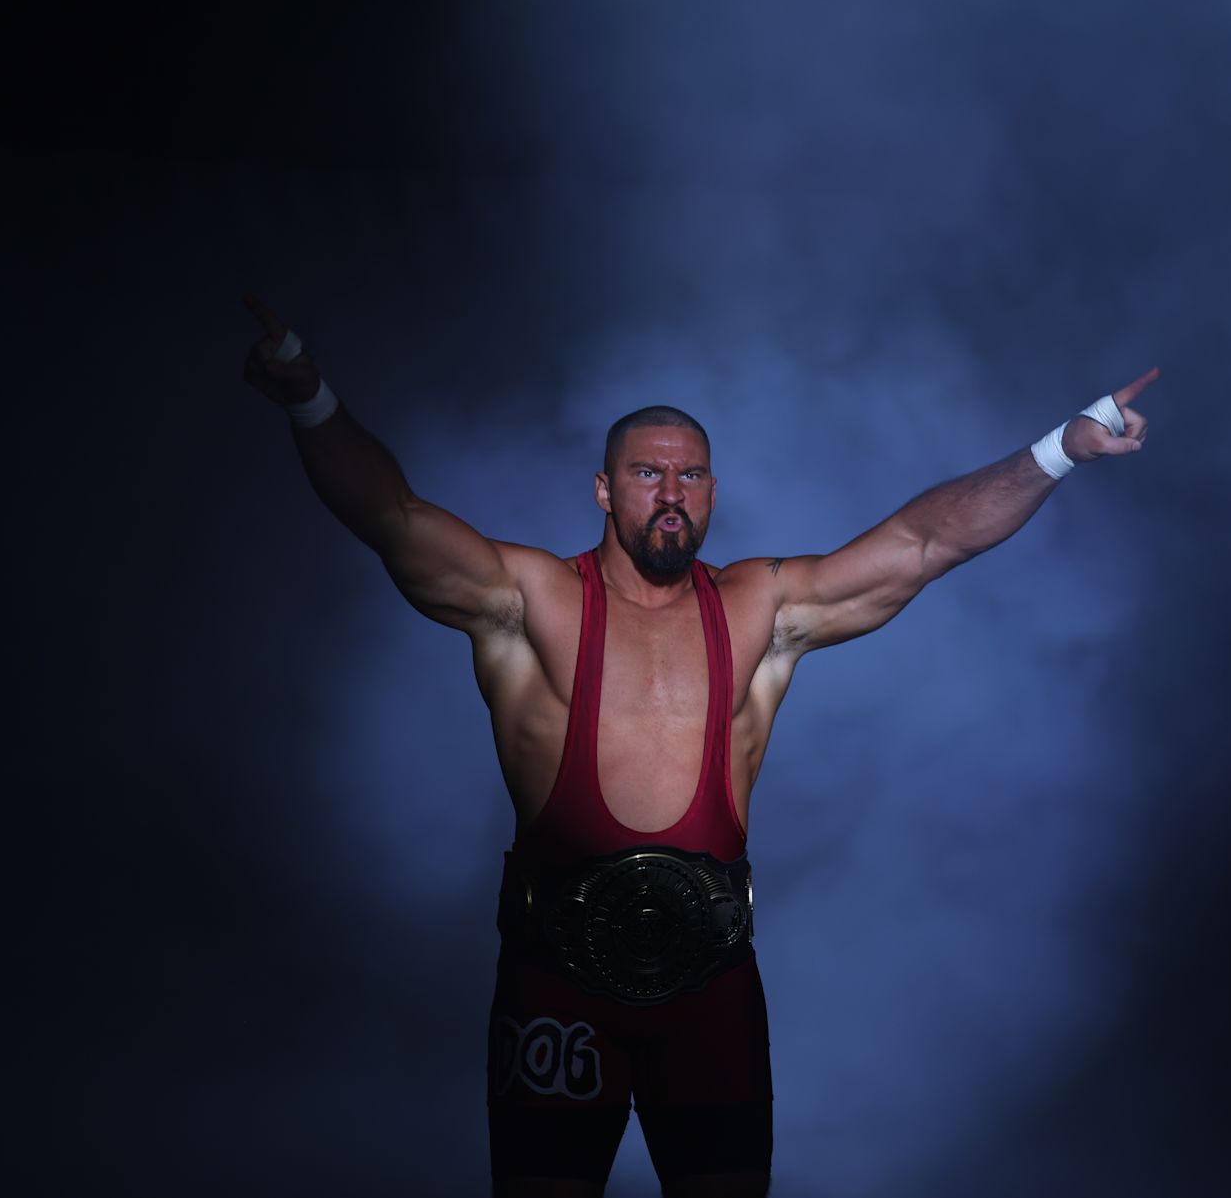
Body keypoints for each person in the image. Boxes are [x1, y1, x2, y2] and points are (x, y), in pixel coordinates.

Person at [241, 294, 1153, 1198]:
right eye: (647, 474)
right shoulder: (528, 600)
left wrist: (1058, 451)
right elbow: (392, 518)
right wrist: (310, 399)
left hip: (710, 991)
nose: (671, 495)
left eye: (690, 478)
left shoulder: (763, 608)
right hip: (556, 984)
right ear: (604, 489)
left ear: (713, 492)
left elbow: (922, 543)